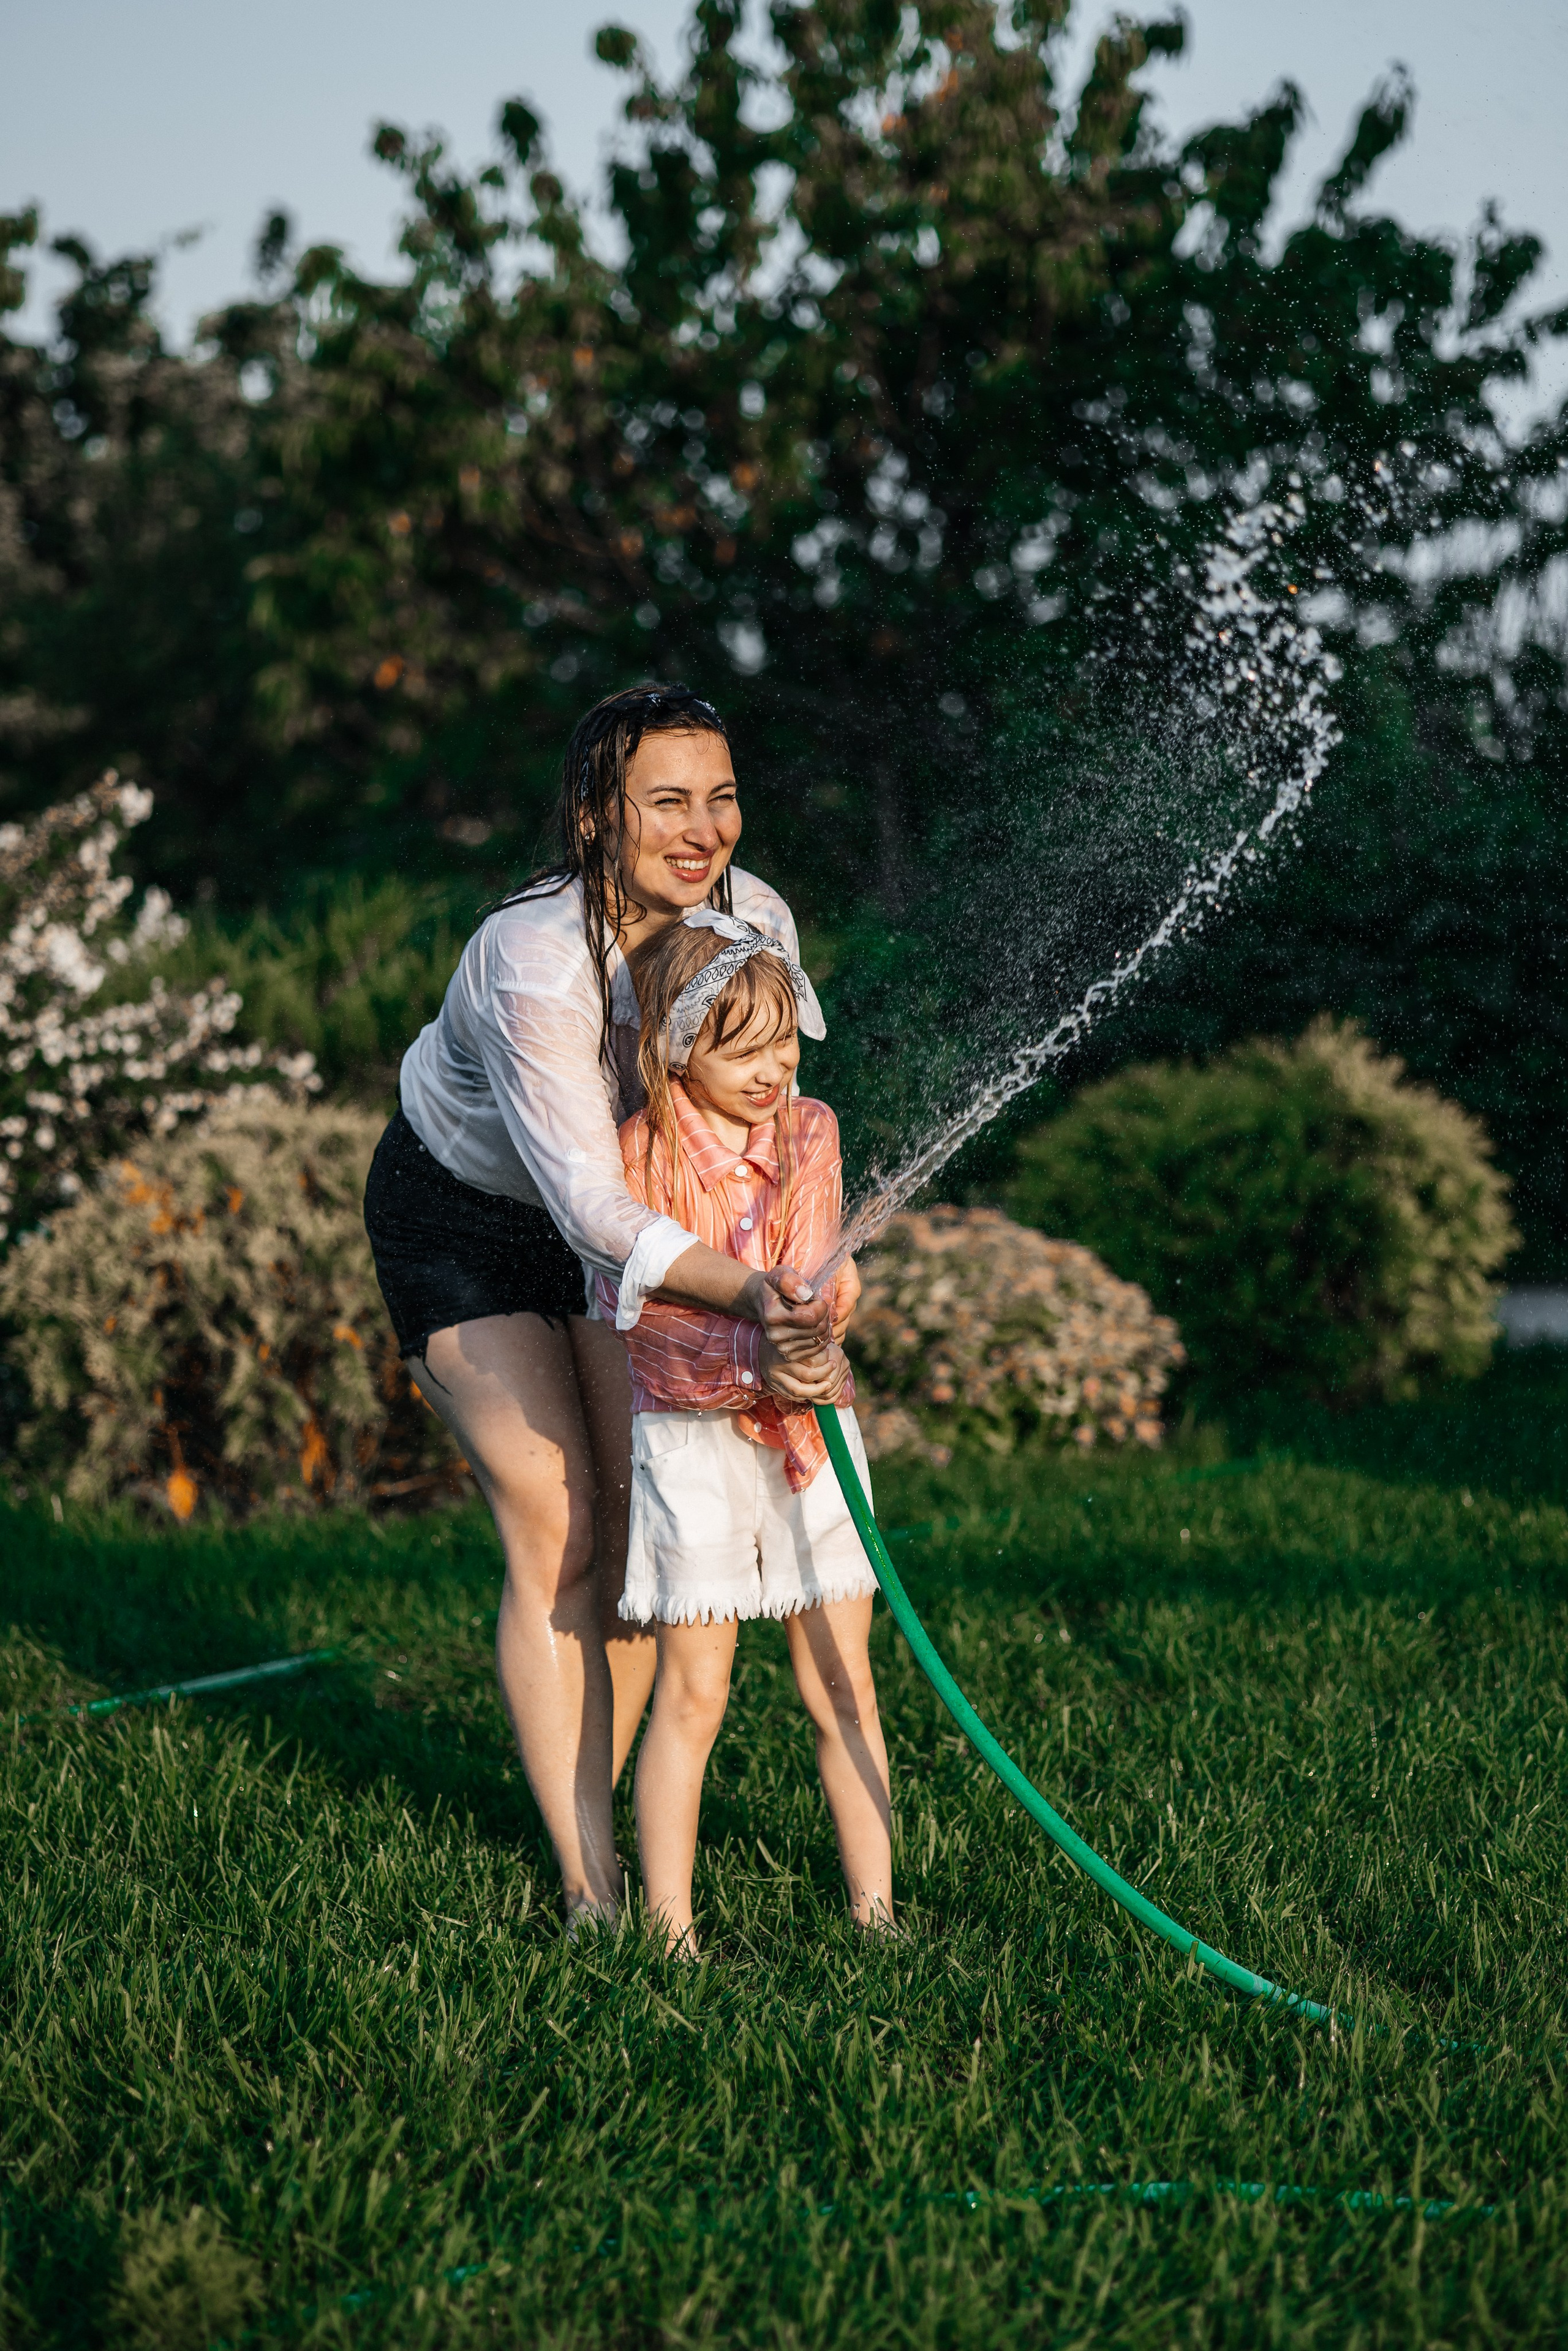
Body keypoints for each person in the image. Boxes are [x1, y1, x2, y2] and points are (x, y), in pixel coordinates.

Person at [363, 684, 856, 1930]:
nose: (704, 829)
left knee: (637, 1527)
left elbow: (774, 1116)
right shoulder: (531, 950)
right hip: (469, 1219)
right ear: (596, 813)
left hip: (649, 1228)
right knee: (560, 1518)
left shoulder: (752, 917)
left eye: (722, 796)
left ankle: (631, 1837)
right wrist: (748, 1291)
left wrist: (807, 1288)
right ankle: (589, 1882)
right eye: (667, 801)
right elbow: (587, 1203)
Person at [595, 911, 893, 1955]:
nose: (775, 1067)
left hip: (809, 1432)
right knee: (698, 1687)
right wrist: (755, 1354)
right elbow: (645, 1319)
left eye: (785, 1039)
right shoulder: (637, 1156)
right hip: (695, 1440)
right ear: (677, 1049)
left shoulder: (810, 1128)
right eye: (742, 1046)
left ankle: (877, 1916)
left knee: (842, 1680)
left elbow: (814, 1259)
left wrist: (817, 1322)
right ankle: (667, 1933)